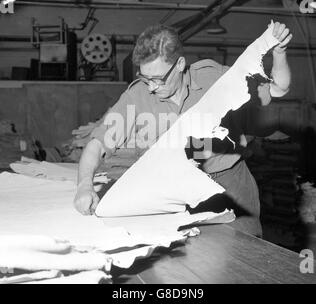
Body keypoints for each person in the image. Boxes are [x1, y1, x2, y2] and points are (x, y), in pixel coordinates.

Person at [74, 22, 292, 237]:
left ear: (179, 64)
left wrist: (280, 53)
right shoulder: (136, 97)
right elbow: (97, 144)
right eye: (144, 77)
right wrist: (84, 186)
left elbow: (278, 88)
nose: (151, 87)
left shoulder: (213, 78)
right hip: (169, 190)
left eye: (158, 79)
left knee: (247, 255)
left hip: (229, 184)